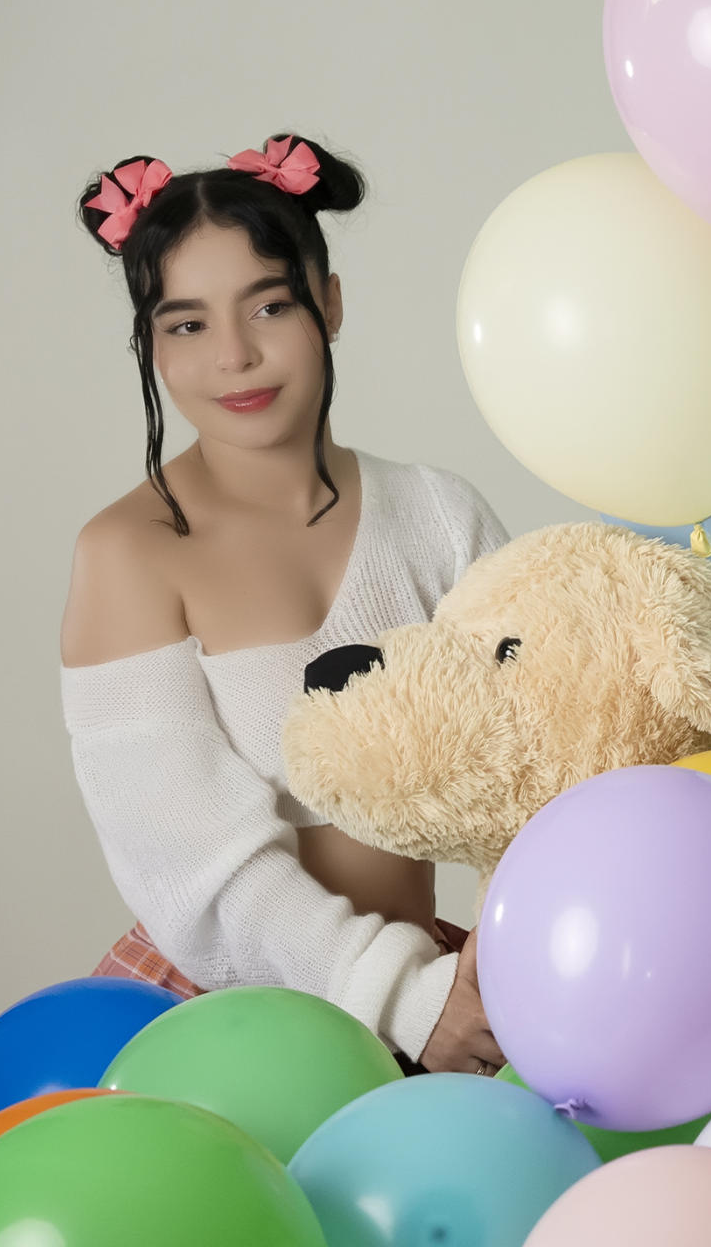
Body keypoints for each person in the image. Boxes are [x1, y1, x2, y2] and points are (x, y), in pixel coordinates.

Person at [58, 134, 506, 1074]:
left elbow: (543, 758)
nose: (235, 356)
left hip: (433, 1002)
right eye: (186, 325)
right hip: (230, 1018)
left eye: (269, 305)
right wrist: (403, 997)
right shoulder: (128, 555)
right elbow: (196, 864)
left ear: (329, 303)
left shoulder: (438, 514)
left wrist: (496, 966)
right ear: (150, 344)